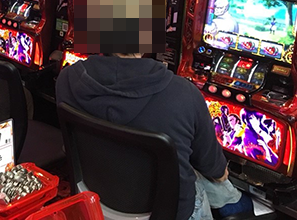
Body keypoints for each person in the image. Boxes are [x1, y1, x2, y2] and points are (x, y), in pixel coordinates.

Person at [56, 53, 254, 220]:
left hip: (96, 198)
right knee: (218, 185)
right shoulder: (183, 93)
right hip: (171, 213)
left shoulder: (67, 79)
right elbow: (215, 170)